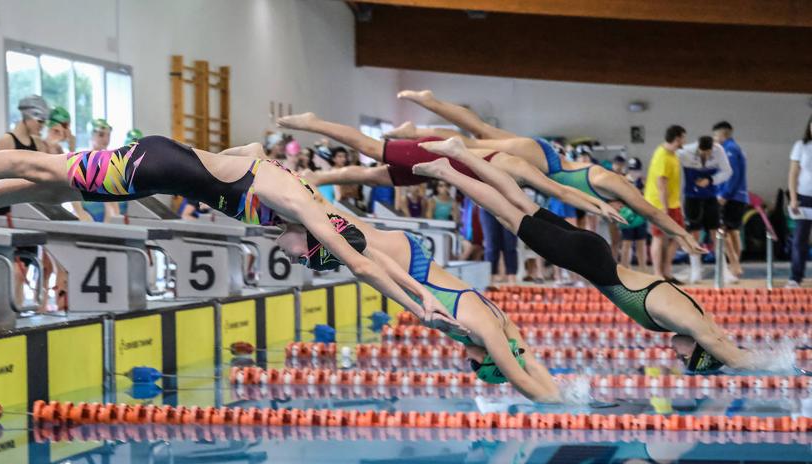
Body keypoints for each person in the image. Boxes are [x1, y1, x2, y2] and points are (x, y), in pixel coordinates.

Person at [0, 136, 460, 329]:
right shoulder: (301, 206)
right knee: (34, 169)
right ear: (315, 238)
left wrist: (413, 283)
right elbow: (359, 263)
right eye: (308, 257)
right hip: (150, 166)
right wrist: (425, 304)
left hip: (160, 170)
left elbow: (369, 252)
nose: (295, 258)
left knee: (40, 189)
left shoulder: (299, 213)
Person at [413, 137, 764, 373]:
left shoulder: (686, 320)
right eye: (687, 358)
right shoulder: (689, 321)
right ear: (701, 350)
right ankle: (449, 167)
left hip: (594, 255)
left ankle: (460, 155)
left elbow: (716, 335)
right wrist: (766, 365)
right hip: (585, 259)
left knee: (521, 204)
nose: (678, 355)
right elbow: (722, 344)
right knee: (509, 213)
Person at [276, 207, 561, 401]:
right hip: (411, 266)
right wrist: (558, 407)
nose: (467, 363)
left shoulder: (501, 324)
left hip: (412, 260)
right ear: (486, 359)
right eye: (475, 367)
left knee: (326, 222)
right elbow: (520, 379)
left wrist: (559, 394)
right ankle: (287, 195)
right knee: (320, 218)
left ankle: (288, 211)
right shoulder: (486, 331)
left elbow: (529, 362)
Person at [386, 90, 702, 256]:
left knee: (479, 133)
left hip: (542, 159)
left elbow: (645, 212)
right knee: (473, 137)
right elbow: (650, 210)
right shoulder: (612, 183)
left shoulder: (608, 190)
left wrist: (681, 236)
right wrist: (683, 233)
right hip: (545, 160)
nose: (617, 211)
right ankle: (423, 114)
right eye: (621, 211)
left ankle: (421, 122)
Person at [275, 112, 625, 225]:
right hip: (435, 157)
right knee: (369, 149)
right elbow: (558, 192)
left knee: (372, 175)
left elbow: (554, 192)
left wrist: (600, 205)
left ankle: (316, 176)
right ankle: (314, 122)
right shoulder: (518, 163)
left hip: (440, 164)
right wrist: (600, 205)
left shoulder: (517, 161)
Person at [678, 135, 733, 283]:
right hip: (691, 196)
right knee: (694, 232)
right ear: (698, 148)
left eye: (708, 153)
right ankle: (696, 269)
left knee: (715, 231)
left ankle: (723, 269)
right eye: (703, 153)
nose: (706, 156)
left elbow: (727, 172)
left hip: (710, 195)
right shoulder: (684, 152)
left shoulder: (719, 150)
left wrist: (711, 180)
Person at [644, 125, 687, 281]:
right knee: (659, 237)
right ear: (677, 138)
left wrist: (677, 204)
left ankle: (666, 270)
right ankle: (658, 274)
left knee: (679, 236)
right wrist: (664, 208)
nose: (685, 141)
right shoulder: (662, 155)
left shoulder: (673, 154)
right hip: (659, 204)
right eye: (683, 137)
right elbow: (661, 183)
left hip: (673, 202)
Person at [713, 121, 747, 280]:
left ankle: (734, 265)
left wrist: (724, 195)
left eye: (715, 135)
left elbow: (732, 175)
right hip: (738, 196)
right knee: (733, 232)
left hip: (731, 196)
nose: (714, 138)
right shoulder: (734, 148)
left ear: (723, 134)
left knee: (722, 230)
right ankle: (735, 268)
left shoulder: (730, 149)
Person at [72, 118, 123, 223]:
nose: (106, 139)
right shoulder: (81, 160)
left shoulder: (110, 162)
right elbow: (72, 190)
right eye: (101, 135)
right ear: (91, 136)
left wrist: (117, 214)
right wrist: (80, 212)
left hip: (105, 211)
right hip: (86, 212)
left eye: (108, 135)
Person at [788, 114, 812, 287]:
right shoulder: (801, 146)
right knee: (799, 239)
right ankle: (796, 277)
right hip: (804, 198)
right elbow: (793, 173)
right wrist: (793, 198)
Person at [618, 158, 649, 271]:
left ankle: (643, 268)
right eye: (632, 170)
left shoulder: (643, 181)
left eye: (636, 170)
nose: (634, 173)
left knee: (641, 243)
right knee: (627, 243)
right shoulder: (623, 181)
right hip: (627, 217)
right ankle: (624, 268)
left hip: (640, 217)